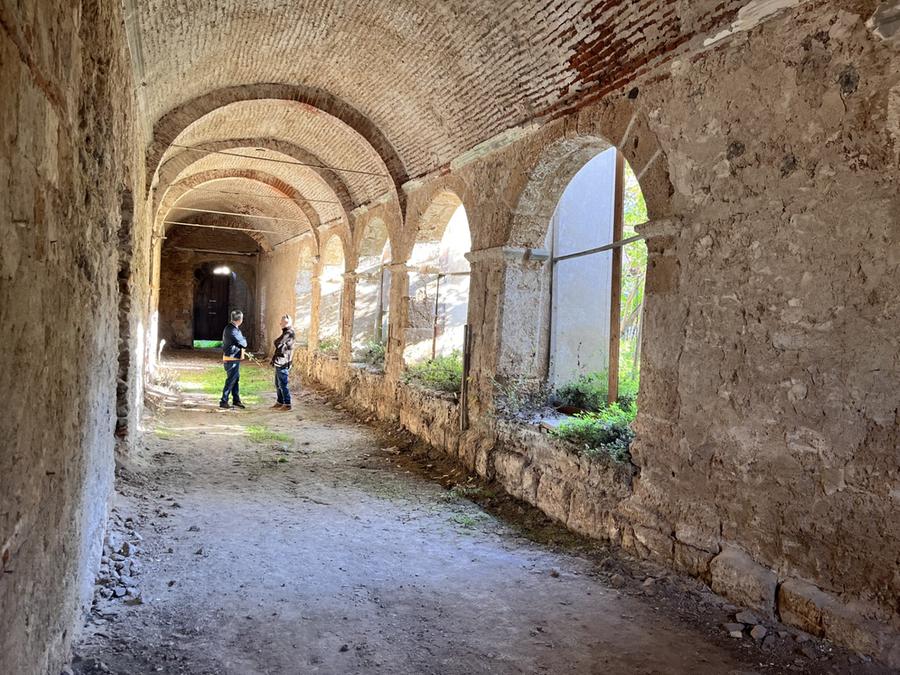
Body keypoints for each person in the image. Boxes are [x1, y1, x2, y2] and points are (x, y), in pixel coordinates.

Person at [220, 310, 247, 409]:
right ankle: (224, 400)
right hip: (231, 358)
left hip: (233, 357)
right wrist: (243, 340)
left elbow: (241, 341)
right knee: (231, 380)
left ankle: (236, 400)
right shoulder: (233, 330)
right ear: (240, 319)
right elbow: (243, 343)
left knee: (235, 379)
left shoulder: (232, 328)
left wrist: (242, 340)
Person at [271, 314, 296, 410]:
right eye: (281, 321)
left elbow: (278, 342)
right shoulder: (286, 332)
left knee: (283, 384)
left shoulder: (289, 333)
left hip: (283, 361)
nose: (280, 323)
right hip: (280, 360)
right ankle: (280, 401)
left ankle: (287, 403)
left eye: (282, 322)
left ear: (287, 323)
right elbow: (278, 343)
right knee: (278, 383)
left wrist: (279, 344)